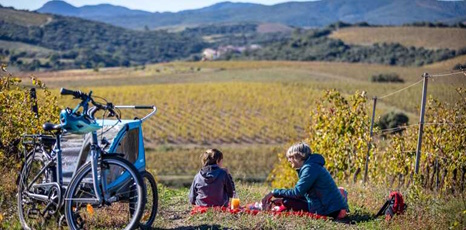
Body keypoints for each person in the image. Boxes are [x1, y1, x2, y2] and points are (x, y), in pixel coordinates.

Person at [262, 142, 348, 218]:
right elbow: (307, 193)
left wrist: (274, 192)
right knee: (285, 200)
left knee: (287, 201)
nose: (289, 160)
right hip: (330, 207)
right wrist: (281, 198)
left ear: (298, 156)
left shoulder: (310, 168)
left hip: (328, 211)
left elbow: (297, 193)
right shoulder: (312, 166)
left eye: (290, 157)